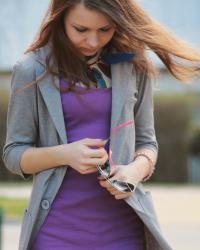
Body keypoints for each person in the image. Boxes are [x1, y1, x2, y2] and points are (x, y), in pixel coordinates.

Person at [2, 0, 200, 249]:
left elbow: (147, 143)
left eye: (104, 29)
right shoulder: (30, 69)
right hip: (56, 233)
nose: (93, 41)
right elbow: (13, 154)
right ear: (60, 18)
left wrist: (136, 171)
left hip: (124, 233)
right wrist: (65, 154)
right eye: (81, 30)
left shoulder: (134, 66)